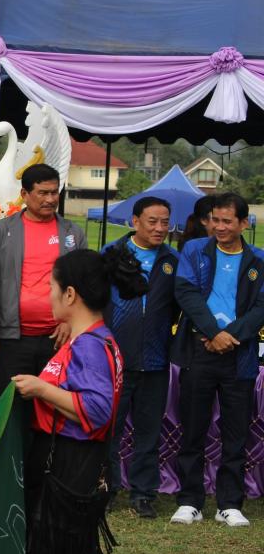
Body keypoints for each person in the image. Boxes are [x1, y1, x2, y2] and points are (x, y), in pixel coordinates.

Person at [12, 248, 141, 554]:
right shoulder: (90, 338)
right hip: (71, 466)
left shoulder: (91, 345)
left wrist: (40, 389)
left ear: (70, 294)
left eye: (52, 286)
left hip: (68, 468)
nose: (48, 294)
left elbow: (98, 410)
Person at [170, 192, 264, 528]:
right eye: (215, 220)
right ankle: (190, 500)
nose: (219, 227)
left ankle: (229, 503)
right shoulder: (195, 250)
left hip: (239, 354)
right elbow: (185, 292)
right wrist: (213, 332)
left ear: (243, 223)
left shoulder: (258, 259)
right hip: (200, 349)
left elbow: (261, 307)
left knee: (235, 431)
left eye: (227, 221)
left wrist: (228, 336)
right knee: (193, 426)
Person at [0, 163, 86, 419]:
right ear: (24, 194)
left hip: (59, 339)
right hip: (13, 339)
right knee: (13, 409)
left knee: (54, 409)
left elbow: (83, 283)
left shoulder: (72, 233)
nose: (50, 199)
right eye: (43, 193)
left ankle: (47, 450)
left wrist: (70, 322)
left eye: (54, 192)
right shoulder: (2, 231)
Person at [103, 196, 178, 519]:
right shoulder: (111, 254)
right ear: (135, 222)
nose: (160, 228)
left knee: (149, 431)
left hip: (156, 359)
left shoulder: (173, 260)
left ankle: (143, 493)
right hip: (115, 360)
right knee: (110, 429)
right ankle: (105, 489)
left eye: (165, 222)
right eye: (152, 222)